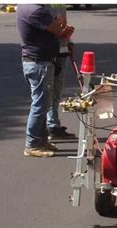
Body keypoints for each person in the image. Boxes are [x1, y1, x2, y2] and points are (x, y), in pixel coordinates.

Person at [17, 4, 74, 157]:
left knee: (43, 103)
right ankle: (32, 144)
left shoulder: (27, 7)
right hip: (39, 63)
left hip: (37, 62)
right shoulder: (36, 10)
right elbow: (58, 30)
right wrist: (61, 26)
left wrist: (58, 24)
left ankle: (40, 140)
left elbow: (54, 27)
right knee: (40, 105)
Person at [47, 4, 76, 140]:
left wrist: (68, 40)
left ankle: (53, 123)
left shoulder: (60, 4)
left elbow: (61, 24)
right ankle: (49, 125)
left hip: (61, 48)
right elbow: (46, 26)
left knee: (56, 91)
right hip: (48, 52)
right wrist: (61, 32)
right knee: (47, 92)